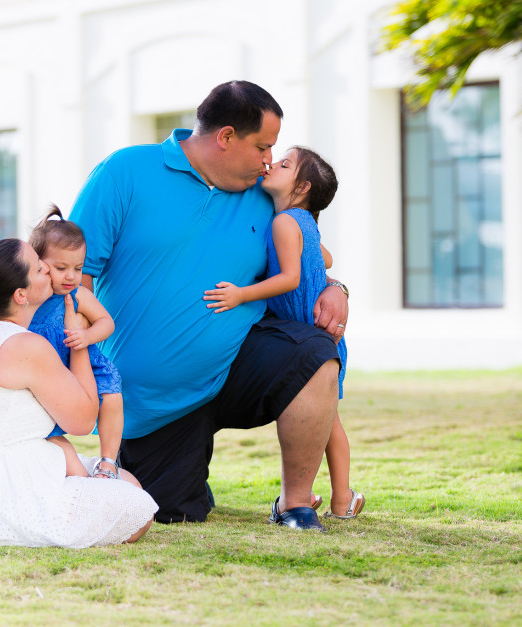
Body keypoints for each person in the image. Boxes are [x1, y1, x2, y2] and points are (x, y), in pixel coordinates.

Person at [69, 80, 349, 531]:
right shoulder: (125, 172)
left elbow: (306, 259)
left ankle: (296, 504)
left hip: (237, 364)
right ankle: (173, 471)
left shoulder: (265, 195)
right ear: (225, 137)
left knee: (314, 352)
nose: (267, 160)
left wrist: (338, 289)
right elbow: (71, 273)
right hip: (153, 398)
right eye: (262, 146)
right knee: (173, 512)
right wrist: (81, 362)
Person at [0, 238, 157, 547]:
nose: (48, 269)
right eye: (39, 268)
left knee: (127, 482)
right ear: (21, 294)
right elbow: (82, 421)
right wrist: (77, 336)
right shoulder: (25, 346)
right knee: (138, 509)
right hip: (5, 494)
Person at [203, 146, 365, 520]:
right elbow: (325, 259)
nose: (272, 163)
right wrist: (323, 281)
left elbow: (289, 278)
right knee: (331, 422)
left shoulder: (283, 223)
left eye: (284, 164)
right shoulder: (303, 221)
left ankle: (337, 498)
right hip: (320, 334)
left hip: (306, 336)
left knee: (328, 423)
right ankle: (342, 499)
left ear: (302, 186)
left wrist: (241, 293)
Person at [28, 205, 124, 480]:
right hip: (48, 367)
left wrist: (87, 336)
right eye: (61, 268)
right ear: (39, 263)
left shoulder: (80, 294)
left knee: (112, 398)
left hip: (84, 362)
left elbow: (106, 322)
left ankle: (108, 460)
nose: (71, 276)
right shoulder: (32, 295)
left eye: (78, 268)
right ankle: (48, 455)